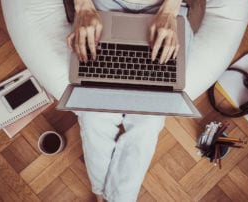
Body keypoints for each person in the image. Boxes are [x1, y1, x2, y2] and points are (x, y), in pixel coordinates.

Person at [66, 0, 192, 201]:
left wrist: (169, 11)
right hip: (103, 7)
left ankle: (117, 197)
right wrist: (83, 7)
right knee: (93, 117)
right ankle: (100, 191)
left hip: (162, 8)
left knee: (148, 124)